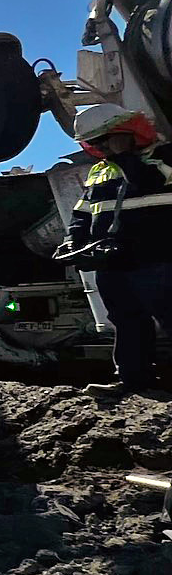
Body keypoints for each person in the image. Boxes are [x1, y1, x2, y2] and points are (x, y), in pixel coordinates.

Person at [64, 104, 172, 393]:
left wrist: (125, 155)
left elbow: (148, 182)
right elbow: (83, 211)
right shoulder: (99, 171)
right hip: (114, 262)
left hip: (157, 257)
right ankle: (134, 382)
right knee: (127, 322)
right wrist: (74, 240)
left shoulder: (164, 156)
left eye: (106, 139)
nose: (101, 147)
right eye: (95, 142)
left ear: (127, 132)